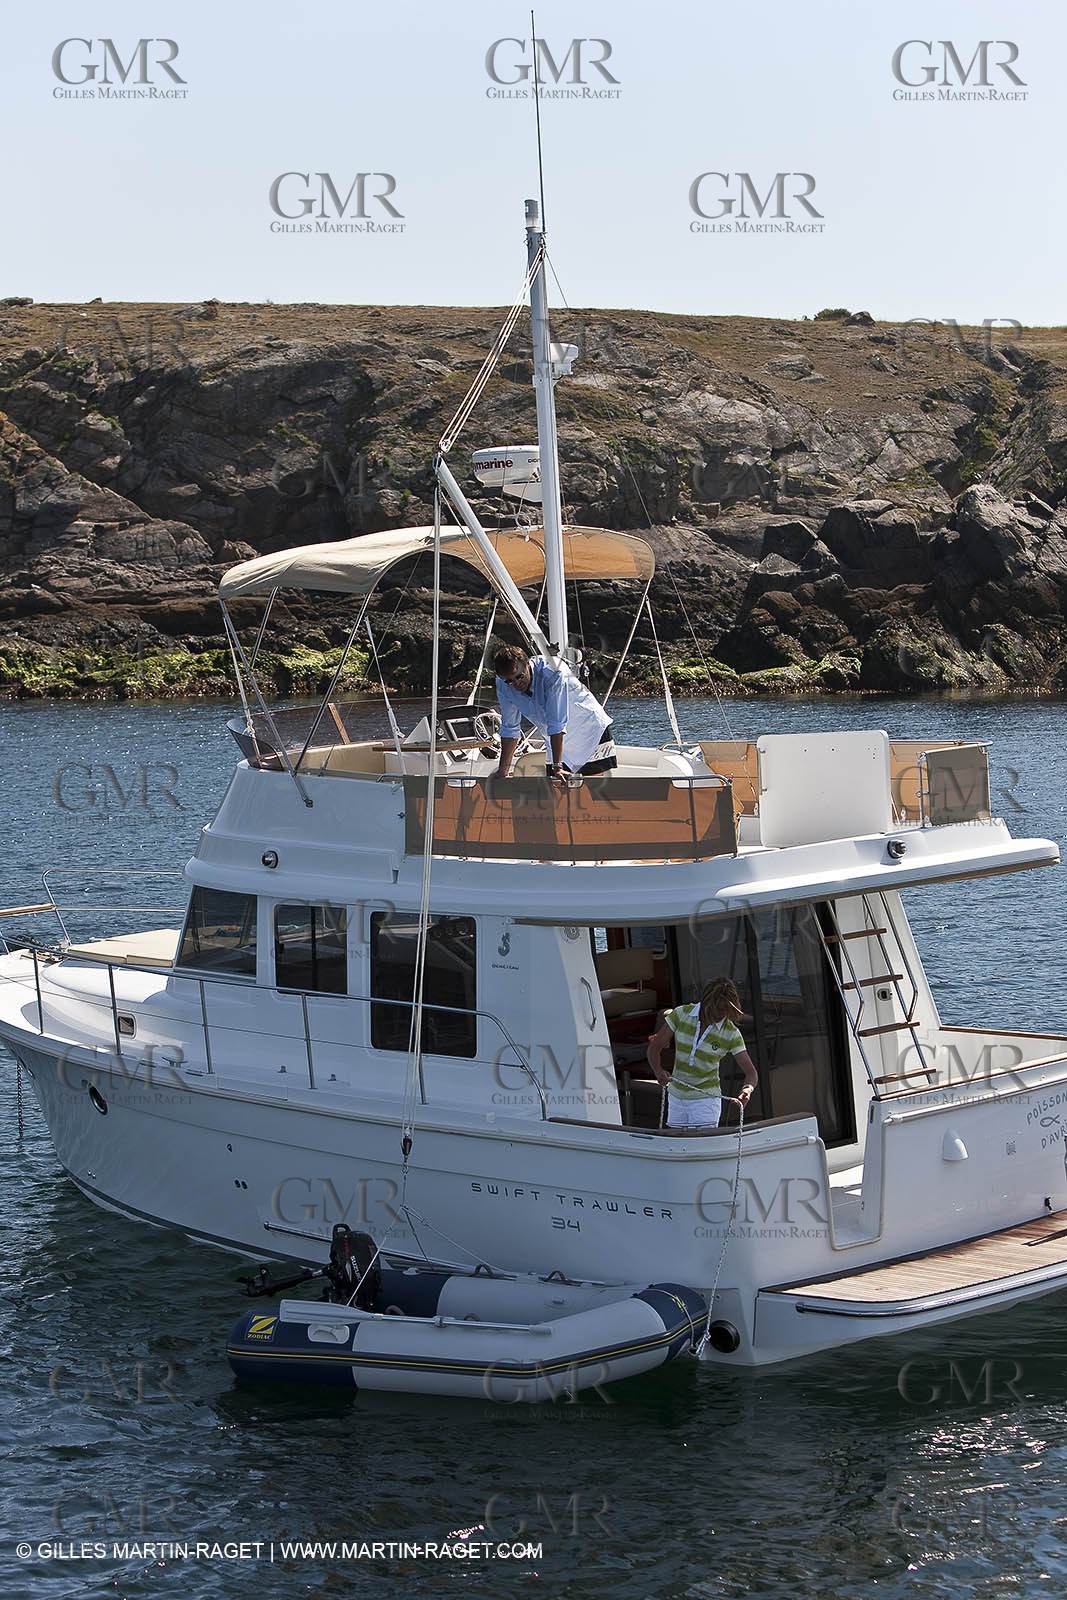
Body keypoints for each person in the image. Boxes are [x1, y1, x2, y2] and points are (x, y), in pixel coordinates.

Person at [493, 644, 615, 787]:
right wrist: (503, 771)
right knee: (554, 793)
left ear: (528, 663)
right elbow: (510, 728)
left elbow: (556, 721)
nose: (516, 683)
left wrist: (558, 766)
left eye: (519, 676)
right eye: (509, 681)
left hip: (589, 729)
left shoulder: (552, 671)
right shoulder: (503, 684)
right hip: (555, 739)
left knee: (592, 792)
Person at [647, 976, 758, 1130]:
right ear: (707, 1003)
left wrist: (747, 1089)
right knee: (678, 1149)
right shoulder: (681, 1014)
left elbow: (751, 1072)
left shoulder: (731, 1033)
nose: (722, 1014)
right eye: (719, 1009)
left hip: (705, 1101)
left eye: (726, 1010)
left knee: (698, 1150)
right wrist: (658, 1071)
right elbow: (654, 1047)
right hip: (675, 1097)